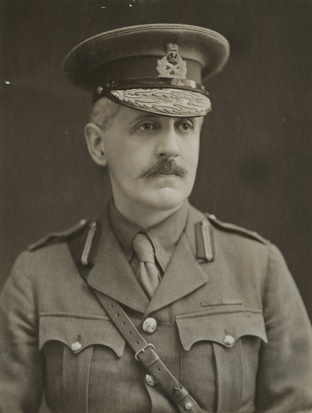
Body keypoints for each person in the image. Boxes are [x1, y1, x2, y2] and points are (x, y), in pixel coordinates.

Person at [0, 23, 311, 413]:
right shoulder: (37, 277)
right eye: (147, 125)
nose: (170, 148)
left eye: (184, 127)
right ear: (98, 144)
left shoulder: (259, 269)